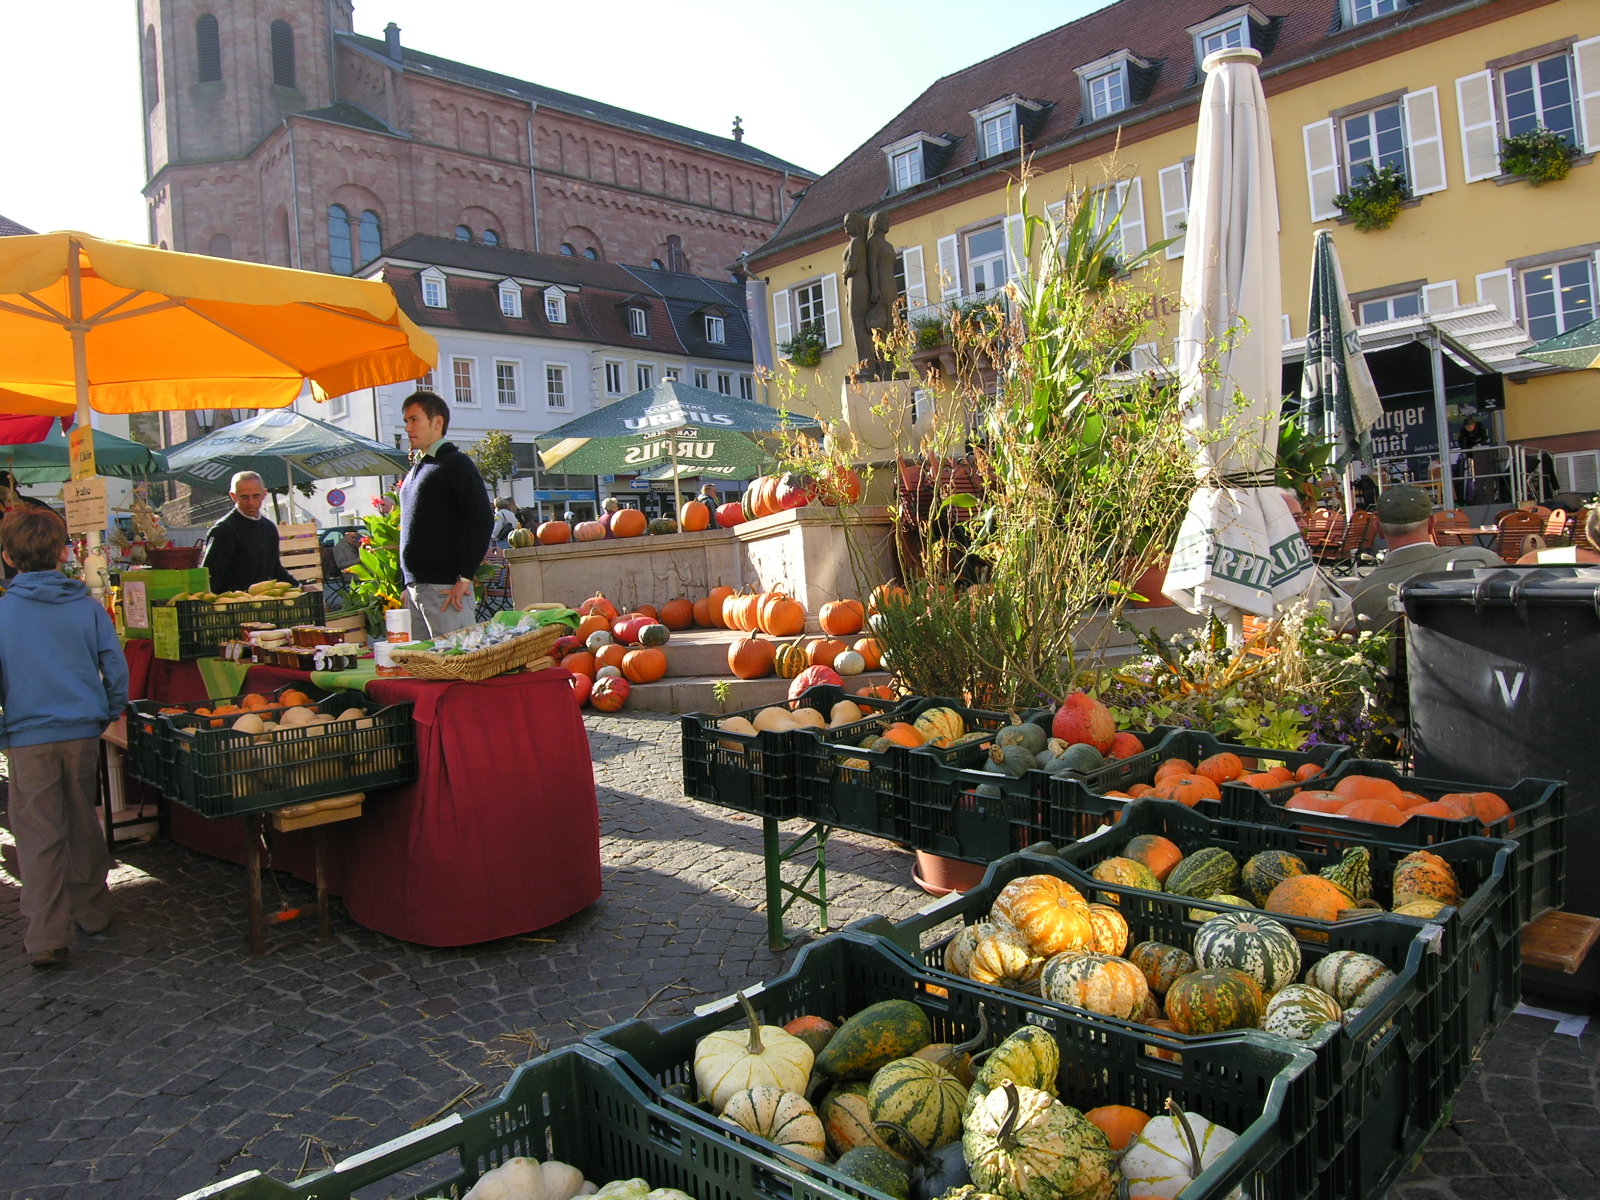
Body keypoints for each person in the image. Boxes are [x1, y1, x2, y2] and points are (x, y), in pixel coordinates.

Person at [0, 506, 128, 967]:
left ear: (8, 559)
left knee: (38, 835)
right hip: (80, 731)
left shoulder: (4, 612)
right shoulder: (86, 606)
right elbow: (114, 663)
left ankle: (46, 936)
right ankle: (93, 910)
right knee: (81, 820)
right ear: (63, 553)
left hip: (27, 735)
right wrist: (110, 706)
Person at [397, 391, 493, 637]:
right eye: (406, 420)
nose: (408, 427)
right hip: (418, 589)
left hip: (446, 589)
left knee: (458, 665)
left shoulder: (455, 463)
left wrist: (464, 578)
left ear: (437, 422)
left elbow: (481, 518)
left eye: (414, 419)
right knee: (425, 669)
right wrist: (407, 583)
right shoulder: (418, 468)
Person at [1340, 486, 1503, 631]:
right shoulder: (1481, 561)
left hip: (1413, 665)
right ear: (1432, 524)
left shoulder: (1368, 592)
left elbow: (1376, 657)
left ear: (1379, 530)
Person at [200, 471, 299, 595]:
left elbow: (275, 568)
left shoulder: (269, 527)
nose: (251, 502)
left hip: (263, 603)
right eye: (245, 497)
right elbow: (210, 578)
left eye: (256, 496)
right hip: (233, 607)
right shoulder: (223, 530)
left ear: (264, 494)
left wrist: (300, 587)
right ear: (233, 496)